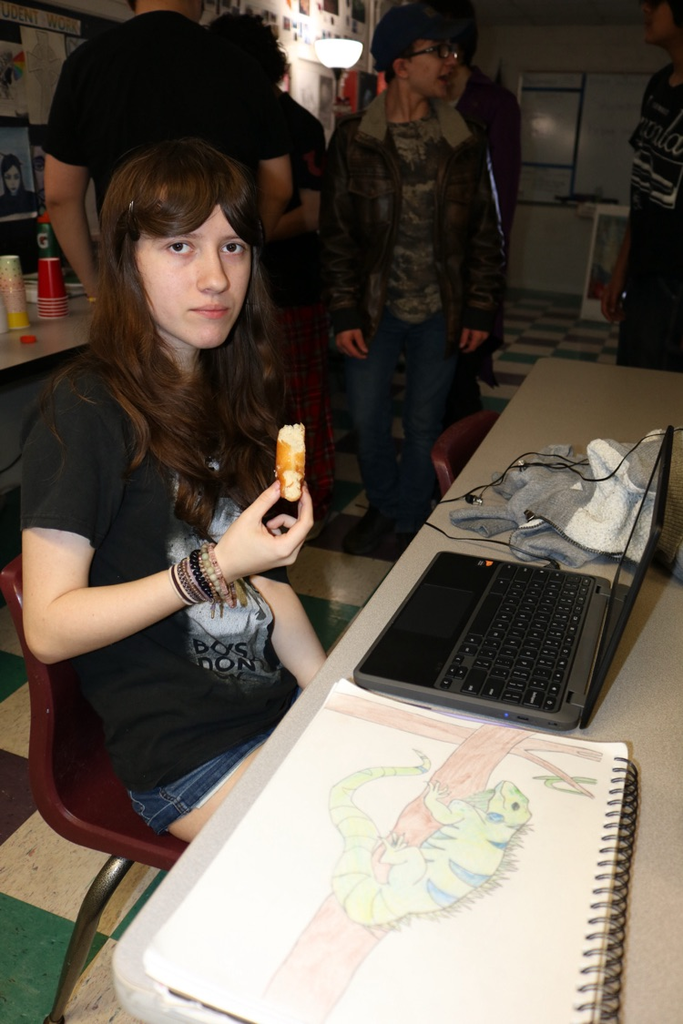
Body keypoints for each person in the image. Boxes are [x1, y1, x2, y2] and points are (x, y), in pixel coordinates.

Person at [20, 138, 326, 844]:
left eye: (234, 247)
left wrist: (330, 695)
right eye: (180, 247)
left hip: (269, 710)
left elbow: (269, 591)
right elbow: (48, 626)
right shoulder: (88, 409)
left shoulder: (226, 388)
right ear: (126, 258)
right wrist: (214, 568)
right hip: (187, 759)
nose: (216, 277)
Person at [320, 2, 504, 556]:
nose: (451, 62)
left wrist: (478, 309)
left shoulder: (467, 138)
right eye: (438, 51)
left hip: (440, 310)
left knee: (425, 425)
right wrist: (345, 311)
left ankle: (407, 524)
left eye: (453, 51)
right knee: (371, 424)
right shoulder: (354, 139)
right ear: (401, 64)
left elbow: (483, 233)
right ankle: (383, 506)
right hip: (375, 311)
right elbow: (337, 237)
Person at [43, 0, 293, 300]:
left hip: (130, 283)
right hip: (216, 285)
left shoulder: (86, 64)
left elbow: (60, 197)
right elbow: (279, 187)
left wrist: (98, 290)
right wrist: (236, 253)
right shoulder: (242, 67)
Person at [209, 13, 335, 532]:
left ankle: (312, 501)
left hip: (292, 287)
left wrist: (238, 235)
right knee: (243, 400)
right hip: (237, 291)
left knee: (299, 406)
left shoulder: (298, 123)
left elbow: (313, 210)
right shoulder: (228, 117)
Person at [432, 0, 521, 420]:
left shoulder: (494, 105)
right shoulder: (410, 101)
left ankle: (458, 481)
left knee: (457, 392)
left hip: (466, 279)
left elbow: (499, 208)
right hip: (416, 283)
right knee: (424, 400)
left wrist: (485, 302)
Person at [600, 0, 683, 373]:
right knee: (631, 387)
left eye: (654, 2)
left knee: (663, 409)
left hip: (676, 282)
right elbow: (644, 190)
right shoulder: (657, 84)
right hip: (644, 273)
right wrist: (620, 270)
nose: (643, 8)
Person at [0, 153, 37, 218]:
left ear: (20, 176)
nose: (12, 182)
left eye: (16, 177)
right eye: (8, 177)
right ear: (3, 178)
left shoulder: (32, 198)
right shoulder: (1, 203)